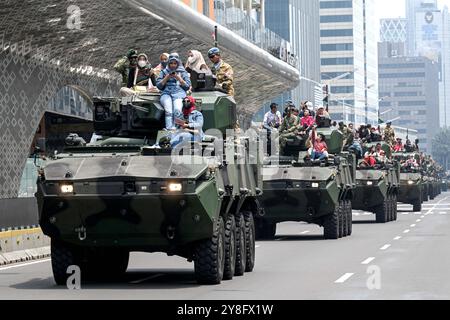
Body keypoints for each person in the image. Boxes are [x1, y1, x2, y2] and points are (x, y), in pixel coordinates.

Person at [156, 54, 192, 130]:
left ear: (178, 63)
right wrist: (166, 78)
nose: (173, 65)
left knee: (177, 109)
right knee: (168, 110)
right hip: (166, 93)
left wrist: (179, 78)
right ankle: (169, 128)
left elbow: (187, 86)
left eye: (175, 63)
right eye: (171, 63)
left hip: (179, 93)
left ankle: (178, 127)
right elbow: (159, 86)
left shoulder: (182, 72)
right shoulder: (164, 72)